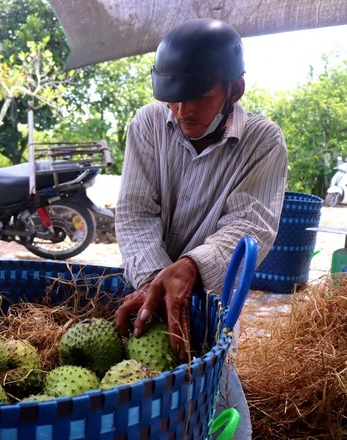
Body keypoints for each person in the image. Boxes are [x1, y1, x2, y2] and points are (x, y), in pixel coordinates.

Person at [114, 19, 288, 438]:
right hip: (142, 289)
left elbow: (251, 225)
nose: (182, 110)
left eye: (199, 97)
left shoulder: (263, 142)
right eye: (173, 99)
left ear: (234, 90)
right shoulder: (147, 125)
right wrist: (155, 280)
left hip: (208, 306)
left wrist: (191, 266)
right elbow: (135, 213)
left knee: (210, 402)